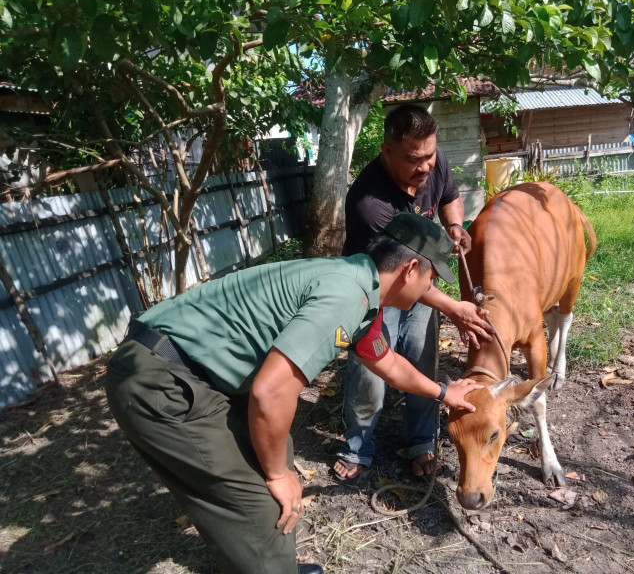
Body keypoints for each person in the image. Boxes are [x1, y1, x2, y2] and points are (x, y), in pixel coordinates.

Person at [105, 213, 483, 574]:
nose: (429, 291)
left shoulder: (357, 282)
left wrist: (443, 392)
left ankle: (268, 565)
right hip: (161, 379)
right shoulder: (347, 296)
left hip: (190, 369)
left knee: (275, 454)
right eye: (432, 279)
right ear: (409, 269)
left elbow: (388, 365)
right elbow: (271, 392)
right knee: (256, 499)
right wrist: (275, 475)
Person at [334, 105, 494, 481]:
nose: (425, 168)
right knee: (371, 368)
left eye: (429, 156)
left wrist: (454, 225)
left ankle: (421, 442)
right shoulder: (368, 204)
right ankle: (357, 446)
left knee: (423, 360)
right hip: (377, 289)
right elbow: (398, 281)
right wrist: (455, 308)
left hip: (422, 280)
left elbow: (450, 194)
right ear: (387, 150)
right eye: (413, 159)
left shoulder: (432, 162)